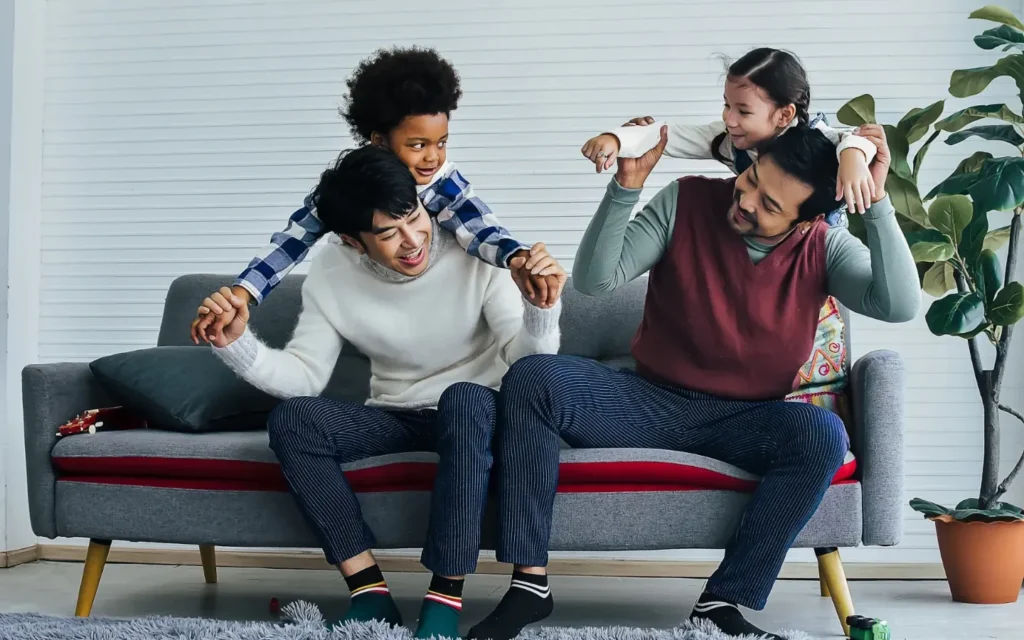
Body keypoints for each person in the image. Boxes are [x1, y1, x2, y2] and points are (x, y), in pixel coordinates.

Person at [470, 125, 920, 640]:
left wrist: (878, 203)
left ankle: (722, 602)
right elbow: (594, 283)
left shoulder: (823, 246)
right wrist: (626, 189)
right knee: (534, 377)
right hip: (647, 401)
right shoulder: (686, 200)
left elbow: (899, 305)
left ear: (806, 221)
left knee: (821, 434)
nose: (747, 200)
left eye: (770, 205)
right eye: (750, 178)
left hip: (744, 420)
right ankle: (529, 587)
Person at [204, 144, 566, 640]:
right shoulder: (332, 273)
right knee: (293, 420)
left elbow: (526, 367)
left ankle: (444, 597)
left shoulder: (475, 249)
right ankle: (369, 592)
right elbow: (305, 378)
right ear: (353, 243)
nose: (413, 240)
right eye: (388, 234)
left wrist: (540, 311)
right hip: (397, 413)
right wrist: (237, 345)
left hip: (477, 407)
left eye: (414, 218)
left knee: (466, 399)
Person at [192, 46, 560, 343]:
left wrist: (517, 256)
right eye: (418, 145)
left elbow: (480, 226)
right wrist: (244, 293)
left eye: (442, 142)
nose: (433, 156)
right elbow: (290, 243)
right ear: (379, 141)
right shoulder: (354, 186)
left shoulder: (443, 181)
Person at [580, 47, 878, 223]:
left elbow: (857, 139)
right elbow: (667, 134)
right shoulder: (726, 140)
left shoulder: (814, 140)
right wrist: (617, 140)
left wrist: (853, 156)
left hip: (814, 247)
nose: (729, 119)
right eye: (726, 105)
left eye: (743, 111)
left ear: (784, 115)